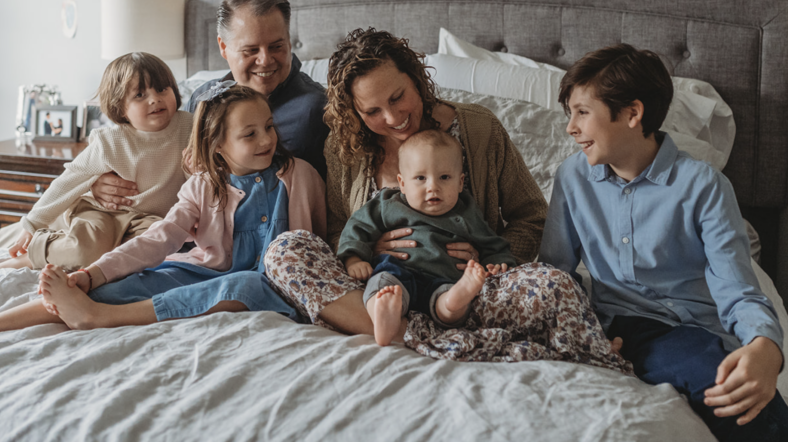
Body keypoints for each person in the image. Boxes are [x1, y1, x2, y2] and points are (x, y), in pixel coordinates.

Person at [263, 28, 630, 371]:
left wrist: (488, 264)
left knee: (557, 283)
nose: (392, 118)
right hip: (381, 289)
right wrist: (366, 251)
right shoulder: (344, 149)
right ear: (354, 112)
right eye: (372, 111)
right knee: (284, 251)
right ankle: (421, 334)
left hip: (469, 293)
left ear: (416, 78)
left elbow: (531, 215)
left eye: (397, 97)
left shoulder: (479, 128)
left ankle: (422, 333)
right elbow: (338, 227)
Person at [0, 84, 326, 346]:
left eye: (269, 127)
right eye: (249, 134)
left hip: (265, 285)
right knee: (110, 285)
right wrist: (93, 274)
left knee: (240, 285)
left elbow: (311, 247)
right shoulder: (201, 186)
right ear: (217, 145)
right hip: (201, 271)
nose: (267, 139)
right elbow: (158, 239)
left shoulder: (299, 177)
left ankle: (100, 320)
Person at [539, 44, 788, 442]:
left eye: (582, 112)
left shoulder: (703, 186)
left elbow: (736, 288)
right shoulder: (573, 178)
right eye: (569, 114)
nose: (570, 128)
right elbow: (554, 272)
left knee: (726, 380)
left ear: (632, 113)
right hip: (616, 327)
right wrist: (577, 334)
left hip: (689, 329)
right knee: (715, 377)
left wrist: (766, 345)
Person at [91, 0, 330, 212]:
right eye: (250, 50)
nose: (265, 60)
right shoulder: (204, 98)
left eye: (277, 46)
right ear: (223, 47)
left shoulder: (317, 108)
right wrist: (103, 181)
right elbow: (162, 158)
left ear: (289, 42)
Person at [0, 52, 193, 271]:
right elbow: (69, 181)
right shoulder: (111, 141)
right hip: (103, 212)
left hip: (147, 219)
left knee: (166, 248)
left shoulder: (191, 126)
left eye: (162, 89)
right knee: (88, 249)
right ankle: (35, 255)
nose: (155, 99)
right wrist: (32, 224)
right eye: (140, 95)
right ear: (120, 107)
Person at [340, 129, 517, 346]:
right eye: (421, 178)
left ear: (460, 183)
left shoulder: (467, 213)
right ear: (402, 183)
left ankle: (454, 301)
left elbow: (492, 243)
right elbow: (358, 226)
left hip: (444, 278)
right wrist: (354, 259)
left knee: (450, 303)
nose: (433, 186)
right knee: (380, 285)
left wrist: (496, 263)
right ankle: (384, 315)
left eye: (444, 177)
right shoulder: (388, 204)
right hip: (397, 270)